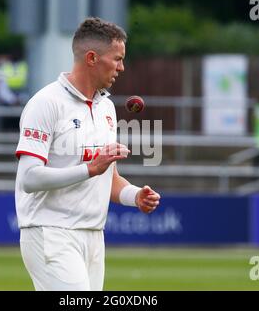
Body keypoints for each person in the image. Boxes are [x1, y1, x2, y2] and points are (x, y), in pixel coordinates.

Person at [14, 17, 161, 291]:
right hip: (51, 232)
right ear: (92, 58)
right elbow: (29, 178)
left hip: (93, 236)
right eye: (117, 59)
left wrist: (135, 196)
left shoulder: (106, 108)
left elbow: (109, 179)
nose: (122, 67)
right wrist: (89, 169)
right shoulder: (45, 103)